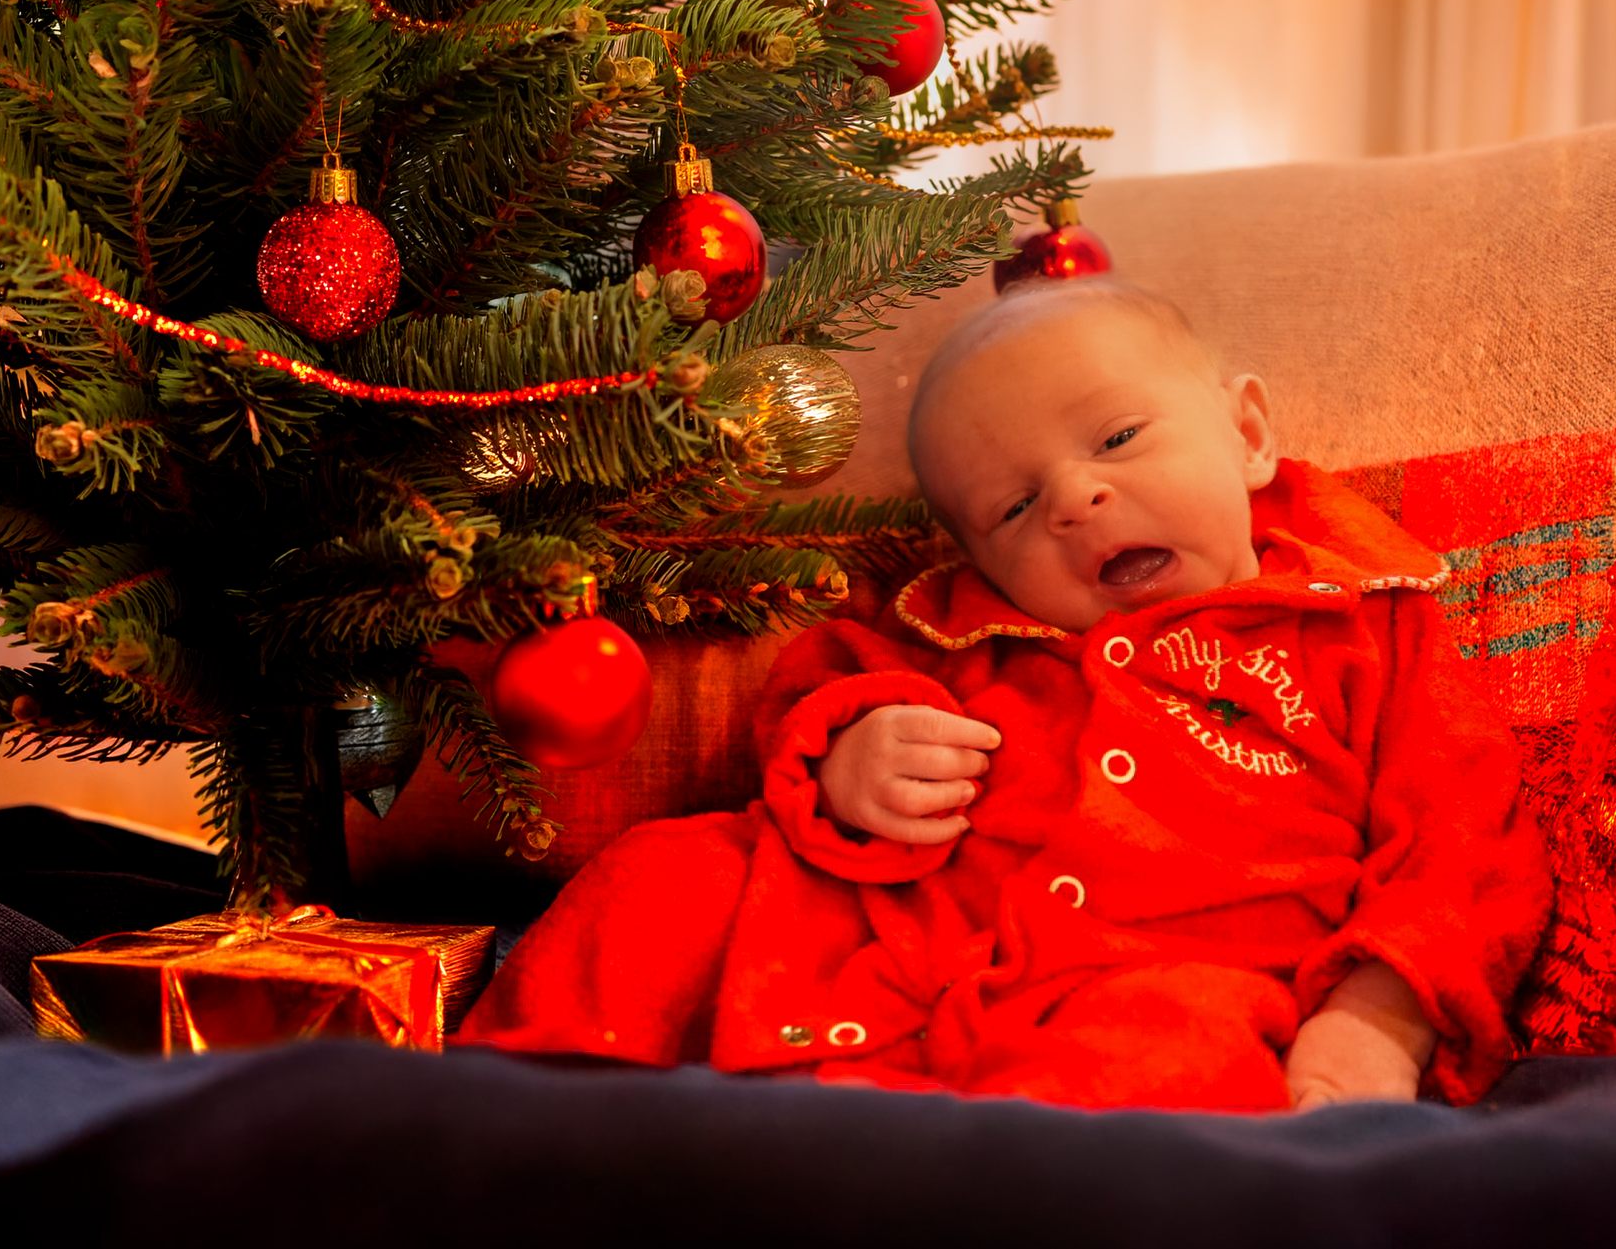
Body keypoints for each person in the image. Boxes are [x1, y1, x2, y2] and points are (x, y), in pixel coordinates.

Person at [458, 278, 1551, 1112]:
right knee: (662, 878)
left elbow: (1463, 850)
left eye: (1117, 437)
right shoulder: (961, 624)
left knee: (1164, 1048)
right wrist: (847, 754)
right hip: (877, 951)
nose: (1074, 497)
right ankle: (503, 1120)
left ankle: (987, 1179)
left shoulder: (1363, 618)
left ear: (1249, 433)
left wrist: (1375, 1021)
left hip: (1162, 980)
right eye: (1014, 508)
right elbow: (818, 688)